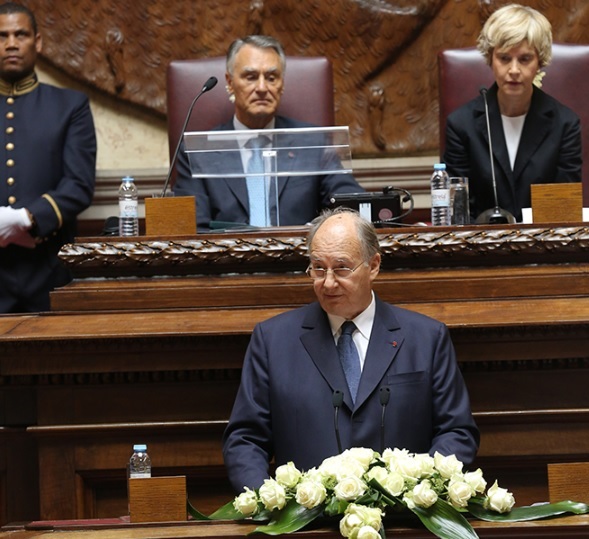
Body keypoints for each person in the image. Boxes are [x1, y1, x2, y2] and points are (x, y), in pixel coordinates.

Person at [222, 207, 479, 493]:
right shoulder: (272, 340)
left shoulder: (426, 338)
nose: (328, 282)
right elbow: (245, 439)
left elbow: (456, 432)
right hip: (307, 525)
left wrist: (421, 492)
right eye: (318, 268)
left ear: (374, 265)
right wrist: (269, 501)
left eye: (342, 268)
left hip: (403, 522)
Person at [174, 35, 362, 231]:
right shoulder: (197, 152)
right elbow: (192, 229)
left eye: (271, 78)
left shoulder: (313, 143)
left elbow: (349, 207)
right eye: (251, 77)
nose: (262, 88)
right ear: (229, 82)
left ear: (282, 84)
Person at [443, 3, 581, 223]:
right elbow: (459, 213)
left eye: (525, 59)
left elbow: (562, 209)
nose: (514, 70)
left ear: (540, 61)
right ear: (491, 59)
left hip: (544, 247)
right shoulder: (462, 124)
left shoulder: (565, 124)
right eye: (505, 58)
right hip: (480, 248)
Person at [0, 2, 96, 313]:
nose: (11, 43)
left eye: (20, 34)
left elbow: (79, 184)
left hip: (49, 270)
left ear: (37, 42)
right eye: (1, 36)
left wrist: (26, 218)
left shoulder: (70, 106)